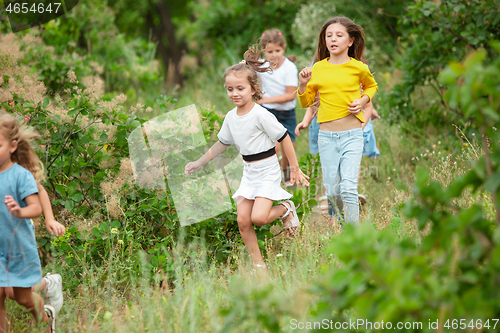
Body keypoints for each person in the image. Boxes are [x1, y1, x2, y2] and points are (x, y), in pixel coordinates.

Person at [185, 45, 309, 268]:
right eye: (230, 89)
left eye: (240, 88)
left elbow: (284, 138)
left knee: (259, 218)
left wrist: (295, 168)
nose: (234, 93)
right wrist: (198, 162)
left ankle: (286, 208)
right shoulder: (231, 117)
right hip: (249, 172)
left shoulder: (261, 114)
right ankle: (258, 266)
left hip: (267, 170)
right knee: (243, 221)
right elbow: (222, 143)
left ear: (253, 89)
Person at [297, 16, 378, 226]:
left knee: (349, 189)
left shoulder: (358, 67)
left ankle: (353, 237)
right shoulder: (318, 69)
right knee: (332, 191)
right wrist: (303, 84)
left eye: (339, 35)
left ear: (350, 41)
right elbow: (306, 103)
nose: (333, 39)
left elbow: (372, 87)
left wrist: (362, 101)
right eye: (328, 36)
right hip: (326, 138)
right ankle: (337, 229)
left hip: (352, 135)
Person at [0, 113, 56, 332]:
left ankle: (45, 318)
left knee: (22, 297)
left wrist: (19, 211)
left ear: (13, 146)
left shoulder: (20, 175)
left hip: (18, 248)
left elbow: (36, 208)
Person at [257, 29, 299, 186]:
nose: (274, 54)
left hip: (287, 114)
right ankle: (272, 179)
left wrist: (266, 99)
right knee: (274, 148)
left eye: (277, 50)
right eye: (269, 51)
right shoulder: (260, 66)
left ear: (284, 49)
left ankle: (286, 173)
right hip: (269, 112)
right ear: (264, 51)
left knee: (289, 150)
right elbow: (246, 75)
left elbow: (290, 95)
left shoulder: (289, 68)